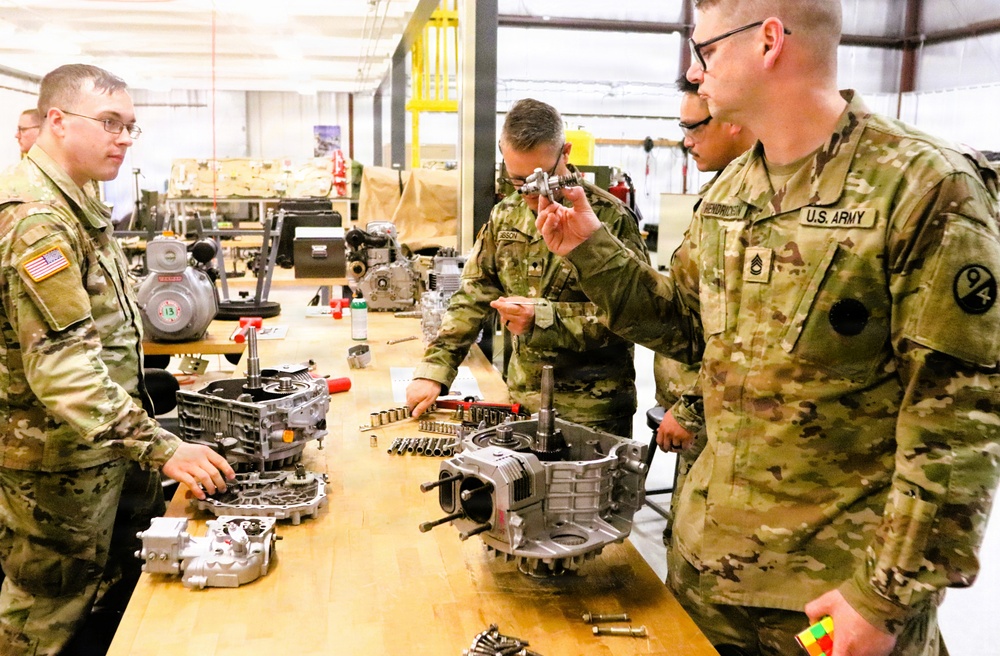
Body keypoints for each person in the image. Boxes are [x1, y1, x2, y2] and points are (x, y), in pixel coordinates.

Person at [535, 1, 1000, 654]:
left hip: (830, 599)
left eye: (706, 52)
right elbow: (683, 329)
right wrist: (590, 247)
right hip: (707, 576)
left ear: (769, 41)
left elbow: (961, 425)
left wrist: (884, 596)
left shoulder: (922, 188)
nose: (696, 75)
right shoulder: (733, 193)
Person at [0, 64, 235, 655]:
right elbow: (62, 370)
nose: (124, 138)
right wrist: (164, 447)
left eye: (131, 126)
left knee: (119, 599)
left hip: (106, 448)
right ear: (56, 121)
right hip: (58, 463)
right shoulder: (37, 222)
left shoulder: (77, 200)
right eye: (109, 123)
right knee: (48, 614)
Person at [406, 98, 648, 438]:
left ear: (566, 152)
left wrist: (543, 319)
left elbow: (637, 317)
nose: (531, 194)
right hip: (522, 403)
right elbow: (473, 294)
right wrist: (435, 369)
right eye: (519, 182)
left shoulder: (609, 219)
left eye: (540, 179)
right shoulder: (506, 215)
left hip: (592, 415)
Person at [655, 74, 756, 543]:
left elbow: (749, 333)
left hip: (729, 434)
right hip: (695, 425)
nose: (686, 141)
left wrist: (691, 407)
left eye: (694, 127)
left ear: (732, 121)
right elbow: (688, 308)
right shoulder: (719, 197)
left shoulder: (761, 203)